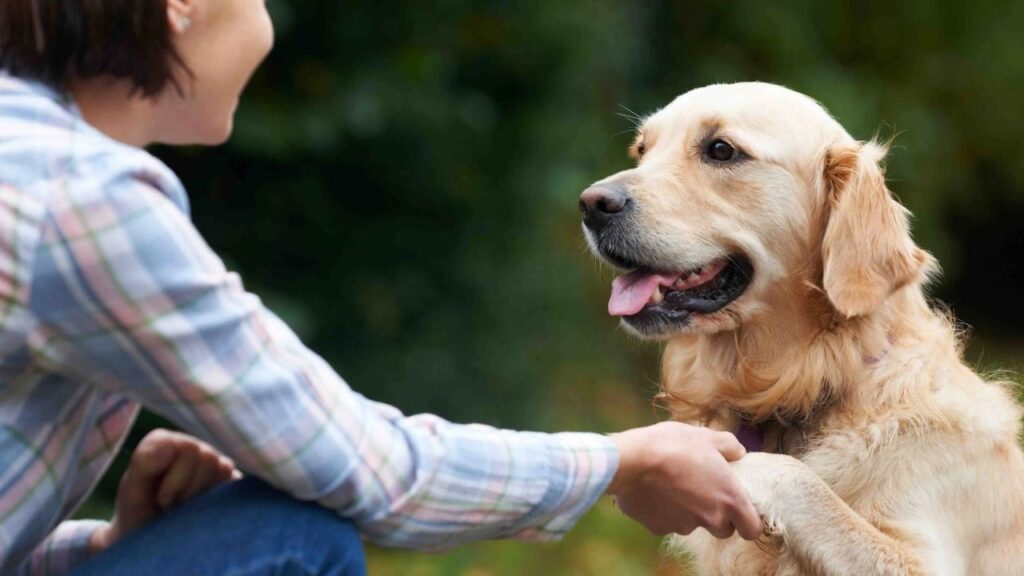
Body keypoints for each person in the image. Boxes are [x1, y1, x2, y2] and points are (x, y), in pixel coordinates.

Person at [0, 1, 763, 574]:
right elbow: (375, 474)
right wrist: (623, 460)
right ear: (180, 5)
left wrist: (105, 546)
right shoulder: (84, 199)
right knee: (292, 537)